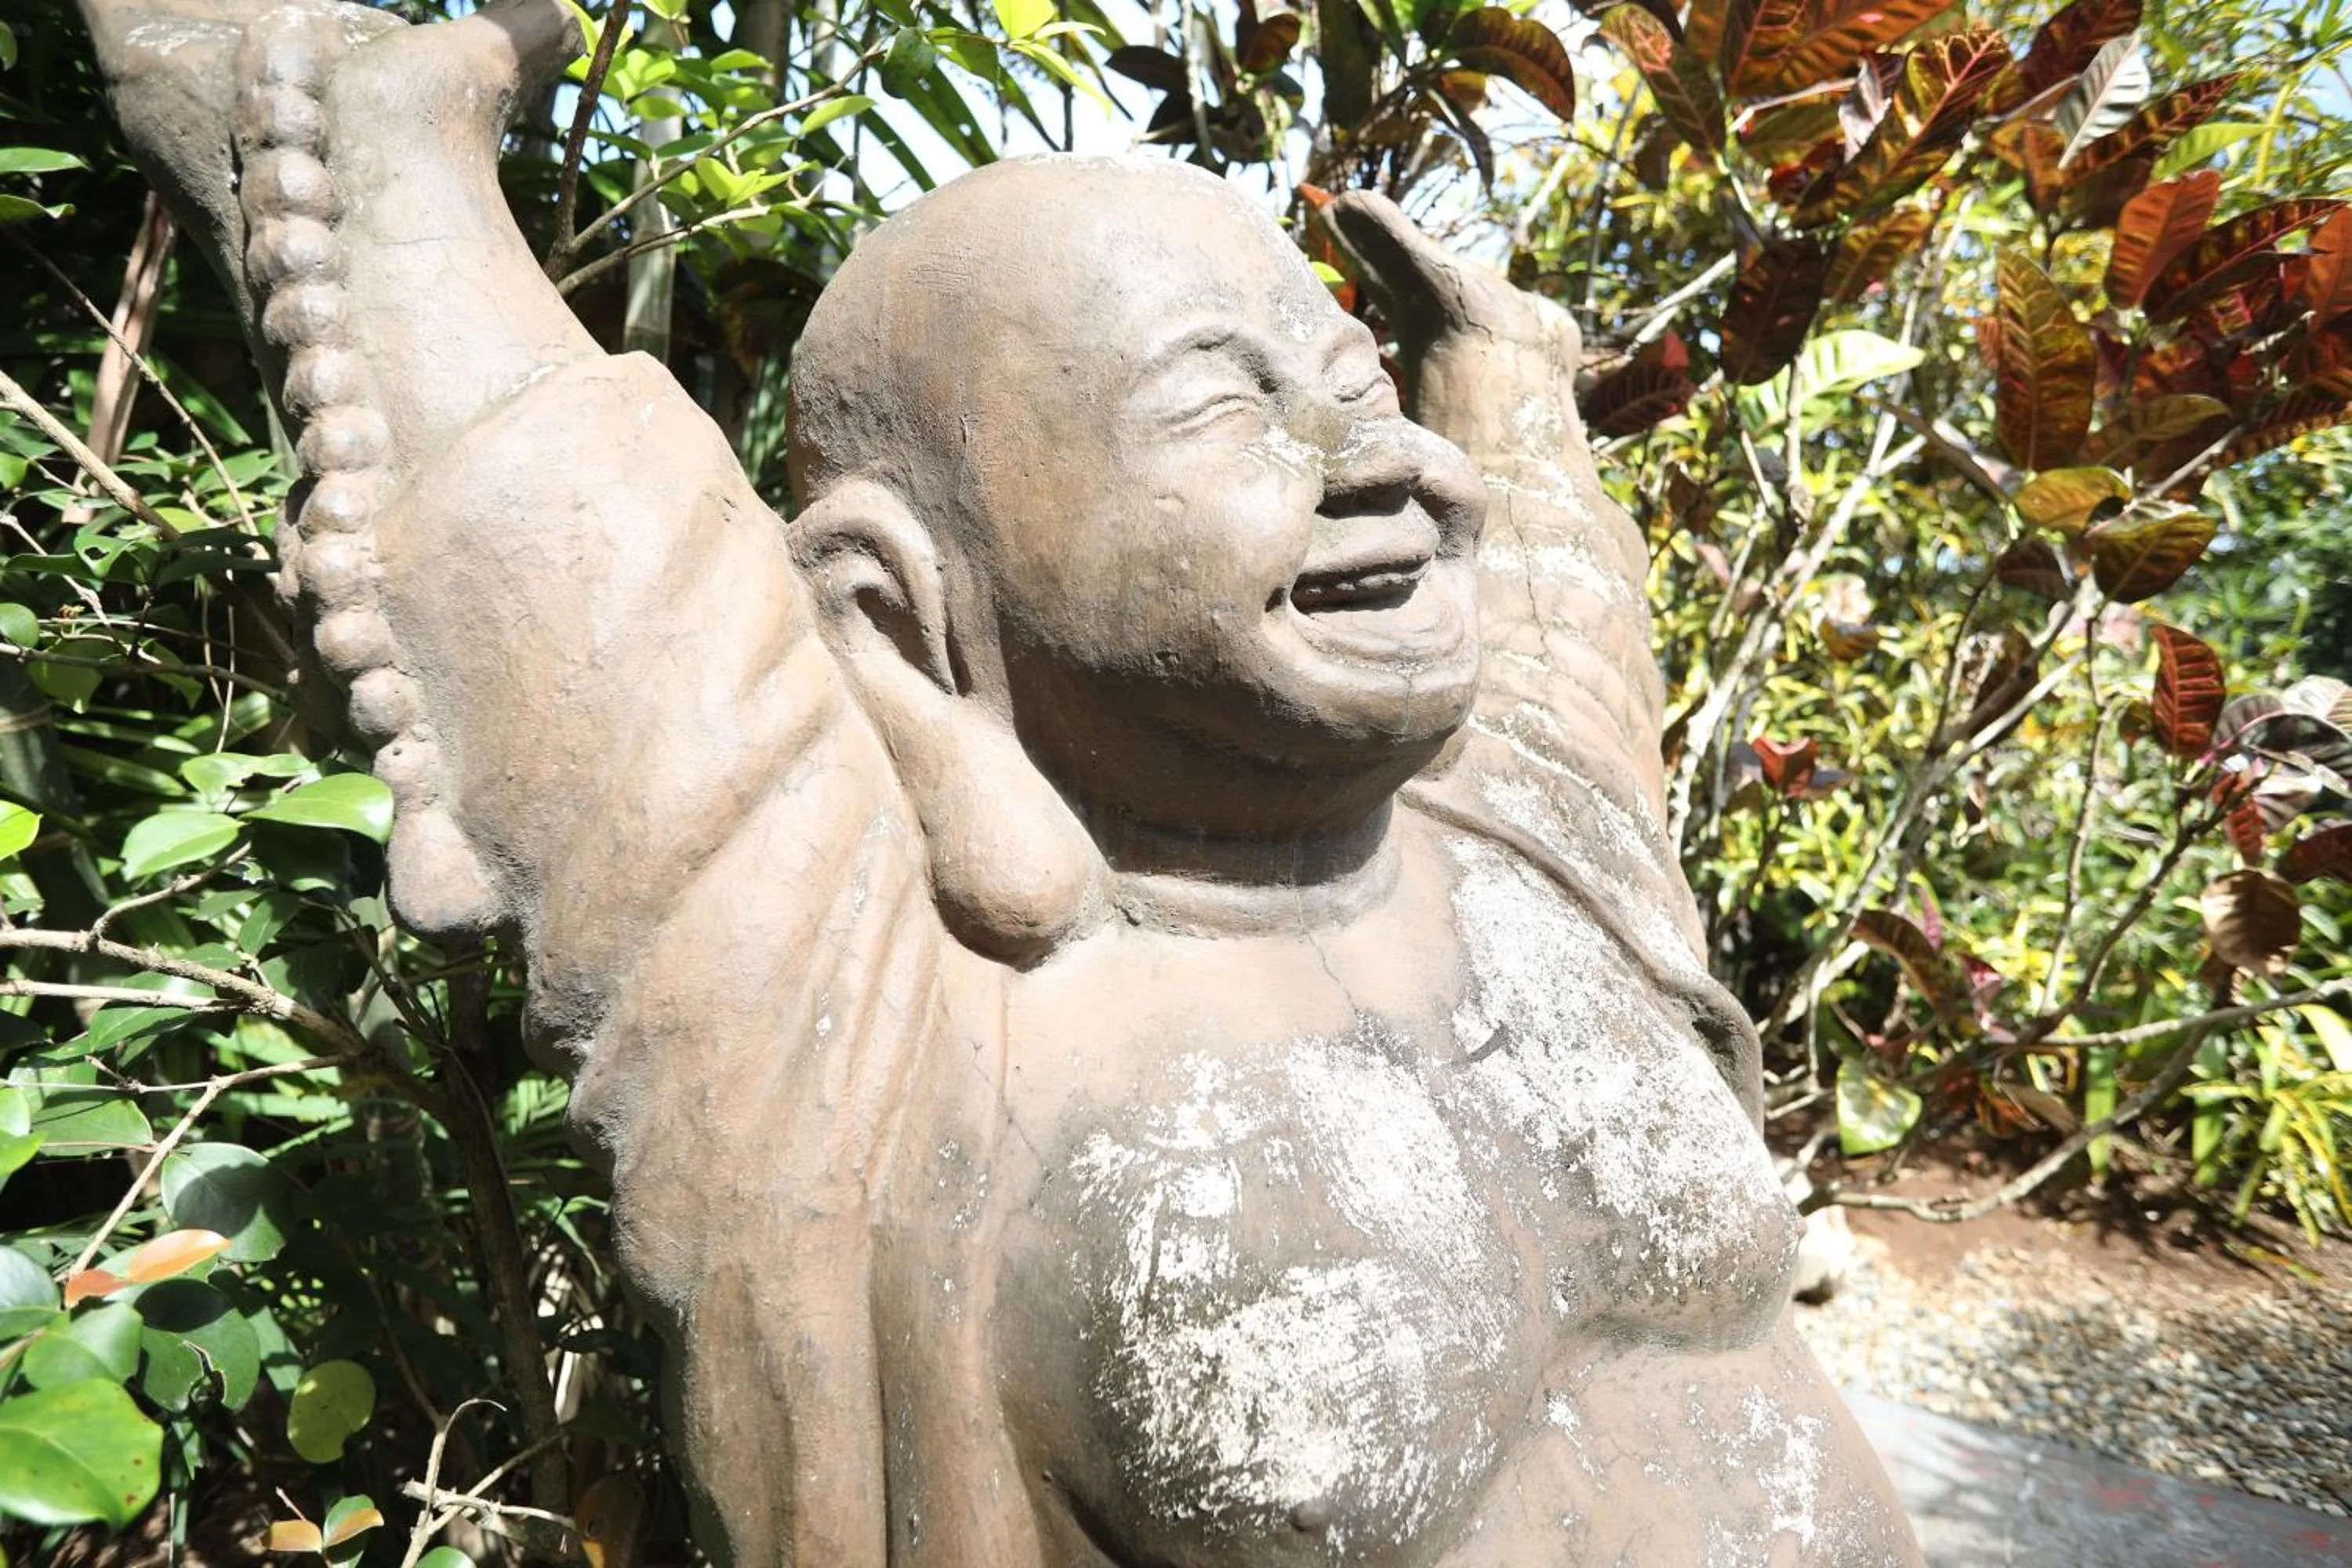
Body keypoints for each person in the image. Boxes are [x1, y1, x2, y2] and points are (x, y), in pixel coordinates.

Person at [77, 0, 1923, 1560]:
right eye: (1225, 412)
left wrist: (1495, 370)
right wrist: (361, 142)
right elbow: (569, 551)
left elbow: (1553, 605)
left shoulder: (1529, 839)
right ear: (900, 616)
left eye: (1351, 389)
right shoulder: (885, 1017)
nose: (1379, 471)